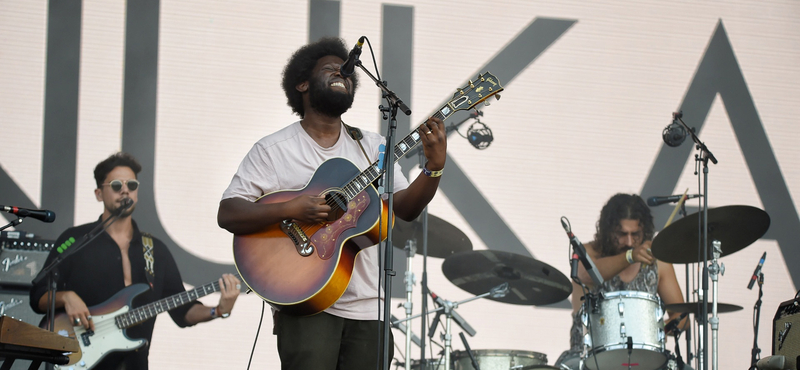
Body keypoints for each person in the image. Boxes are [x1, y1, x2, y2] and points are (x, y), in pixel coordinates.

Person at [217, 37, 447, 370]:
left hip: (371, 310)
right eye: (330, 68)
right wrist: (292, 209)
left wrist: (433, 167)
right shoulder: (273, 149)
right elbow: (229, 213)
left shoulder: (374, 146)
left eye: (348, 72)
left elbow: (406, 209)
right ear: (302, 83)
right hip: (306, 301)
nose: (343, 73)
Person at [30, 152, 241, 370]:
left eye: (131, 184)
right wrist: (67, 297)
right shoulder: (74, 240)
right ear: (99, 193)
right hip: (80, 359)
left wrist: (219, 310)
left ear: (137, 192)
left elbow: (183, 312)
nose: (125, 190)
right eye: (115, 185)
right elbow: (37, 298)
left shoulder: (155, 250)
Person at [557, 193, 689, 369]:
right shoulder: (588, 253)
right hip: (587, 359)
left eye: (635, 234)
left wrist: (657, 329)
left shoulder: (658, 263)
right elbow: (586, 275)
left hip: (642, 360)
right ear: (607, 231)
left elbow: (682, 318)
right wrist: (630, 256)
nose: (629, 241)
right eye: (621, 234)